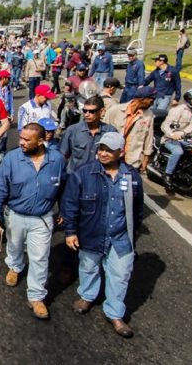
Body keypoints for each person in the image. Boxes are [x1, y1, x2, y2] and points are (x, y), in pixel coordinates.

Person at [61, 132, 143, 338]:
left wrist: (134, 232)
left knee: (121, 274)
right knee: (88, 267)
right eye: (101, 149)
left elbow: (137, 208)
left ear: (120, 152)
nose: (103, 153)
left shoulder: (131, 176)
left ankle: (115, 313)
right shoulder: (83, 173)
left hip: (120, 237)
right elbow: (70, 204)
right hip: (91, 233)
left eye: (109, 150)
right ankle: (87, 295)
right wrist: (70, 231)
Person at [0, 123, 66, 320]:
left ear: (41, 141)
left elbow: (65, 187)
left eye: (26, 140)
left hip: (43, 218)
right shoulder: (12, 159)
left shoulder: (57, 160)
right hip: (15, 215)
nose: (20, 142)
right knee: (14, 246)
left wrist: (65, 210)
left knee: (40, 257)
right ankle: (15, 266)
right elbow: (0, 186)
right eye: (20, 138)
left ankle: (37, 296)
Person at [59, 96, 118, 174]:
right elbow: (62, 156)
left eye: (91, 111)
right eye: (85, 111)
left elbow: (116, 157)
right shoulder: (73, 130)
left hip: (99, 178)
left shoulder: (110, 131)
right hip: (76, 178)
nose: (87, 114)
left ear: (101, 111)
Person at [104, 87, 156, 172]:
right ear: (143, 99)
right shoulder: (115, 110)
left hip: (132, 161)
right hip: (111, 157)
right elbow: (103, 130)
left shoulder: (149, 116)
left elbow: (148, 138)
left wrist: (146, 159)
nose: (152, 103)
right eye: (151, 100)